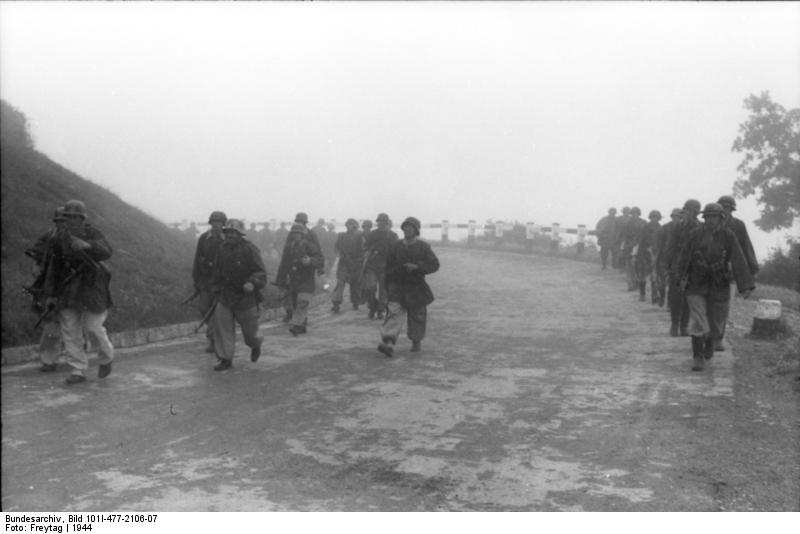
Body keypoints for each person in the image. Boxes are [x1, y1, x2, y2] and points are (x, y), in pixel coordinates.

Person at [42, 200, 114, 385]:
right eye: (69, 217)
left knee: (93, 327)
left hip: (91, 286)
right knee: (70, 330)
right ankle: (78, 369)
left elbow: (107, 251)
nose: (72, 220)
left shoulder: (92, 233)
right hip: (68, 287)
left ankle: (106, 358)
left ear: (82, 218)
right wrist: (50, 293)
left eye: (76, 217)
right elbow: (53, 267)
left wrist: (88, 246)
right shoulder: (59, 239)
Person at [675, 203, 754, 371]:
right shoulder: (695, 234)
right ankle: (697, 356)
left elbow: (738, 259)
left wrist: (745, 286)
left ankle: (709, 345)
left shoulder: (728, 236)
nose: (711, 219)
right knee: (698, 320)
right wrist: (679, 277)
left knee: (715, 321)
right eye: (708, 216)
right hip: (696, 284)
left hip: (719, 284)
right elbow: (684, 257)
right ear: (704, 218)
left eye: (715, 216)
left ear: (721, 218)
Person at [377, 217, 440, 357]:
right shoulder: (395, 246)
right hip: (396, 286)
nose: (407, 229)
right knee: (393, 313)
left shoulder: (424, 247)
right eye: (405, 227)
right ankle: (388, 343)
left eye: (410, 227)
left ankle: (416, 341)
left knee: (417, 315)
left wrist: (418, 267)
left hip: (416, 286)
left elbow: (435, 265)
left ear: (416, 230)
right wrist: (387, 284)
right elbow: (388, 267)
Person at [209, 219, 266, 371]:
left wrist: (252, 282)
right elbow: (217, 270)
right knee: (222, 328)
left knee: (251, 333)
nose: (230, 236)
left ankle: (256, 345)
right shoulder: (221, 249)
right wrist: (214, 287)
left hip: (245, 297)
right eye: (228, 232)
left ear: (240, 234)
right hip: (226, 295)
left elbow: (260, 271)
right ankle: (225, 359)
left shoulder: (250, 249)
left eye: (233, 233)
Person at [26, 207, 67, 372]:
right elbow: (37, 255)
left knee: (75, 322)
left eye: (65, 220)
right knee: (51, 321)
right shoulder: (49, 236)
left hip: (70, 284)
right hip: (49, 284)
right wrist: (36, 266)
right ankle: (49, 360)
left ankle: (77, 358)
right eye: (60, 220)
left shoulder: (74, 238)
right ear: (56, 221)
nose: (63, 223)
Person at [276, 223, 324, 336]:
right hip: (294, 279)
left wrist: (310, 260)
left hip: (306, 279)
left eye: (298, 233)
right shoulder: (289, 247)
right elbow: (284, 263)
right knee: (295, 303)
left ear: (302, 234)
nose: (296, 235)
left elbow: (320, 258)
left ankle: (297, 325)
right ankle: (301, 324)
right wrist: (280, 278)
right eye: (294, 233)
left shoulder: (309, 246)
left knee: (302, 301)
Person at [663, 199, 702, 336]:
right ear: (685, 211)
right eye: (688, 211)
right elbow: (670, 247)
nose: (691, 214)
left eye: (694, 211)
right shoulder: (677, 227)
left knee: (689, 297)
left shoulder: (701, 227)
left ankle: (684, 326)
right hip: (678, 265)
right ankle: (674, 325)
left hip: (694, 266)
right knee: (676, 296)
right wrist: (667, 265)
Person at [192, 210, 227, 353]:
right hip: (206, 281)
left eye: (219, 222)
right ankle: (215, 336)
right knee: (204, 308)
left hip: (221, 282)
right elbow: (197, 259)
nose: (216, 225)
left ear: (223, 224)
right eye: (214, 222)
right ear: (210, 223)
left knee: (218, 312)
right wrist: (197, 281)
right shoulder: (204, 238)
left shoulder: (227, 239)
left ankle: (214, 339)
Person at [362, 213, 398, 319]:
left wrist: (381, 250)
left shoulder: (393, 236)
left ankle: (380, 310)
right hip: (372, 266)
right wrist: (369, 250)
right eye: (379, 222)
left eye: (383, 222)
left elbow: (395, 251)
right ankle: (372, 307)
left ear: (387, 223)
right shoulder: (372, 234)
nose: (380, 224)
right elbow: (365, 246)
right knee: (370, 288)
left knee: (383, 290)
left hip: (385, 267)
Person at [330, 218, 364, 313]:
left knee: (355, 284)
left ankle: (355, 302)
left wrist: (358, 259)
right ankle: (336, 303)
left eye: (353, 224)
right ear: (346, 225)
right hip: (344, 263)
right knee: (340, 283)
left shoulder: (360, 237)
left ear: (356, 226)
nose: (351, 226)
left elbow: (363, 250)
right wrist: (341, 254)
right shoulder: (341, 236)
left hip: (356, 263)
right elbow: (336, 248)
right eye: (349, 224)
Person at [655, 208, 682, 308]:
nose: (676, 219)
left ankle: (670, 304)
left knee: (673, 283)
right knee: (662, 282)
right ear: (672, 217)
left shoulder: (684, 228)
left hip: (677, 260)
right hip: (664, 258)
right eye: (675, 217)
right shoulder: (664, 228)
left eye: (679, 217)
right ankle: (662, 297)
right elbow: (659, 244)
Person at [634, 209, 662, 303]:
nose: (654, 219)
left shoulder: (661, 228)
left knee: (654, 276)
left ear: (658, 218)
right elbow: (641, 241)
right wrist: (639, 254)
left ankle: (654, 295)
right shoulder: (645, 228)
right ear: (650, 218)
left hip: (656, 254)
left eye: (656, 217)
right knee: (642, 276)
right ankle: (642, 294)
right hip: (644, 254)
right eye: (653, 217)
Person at [622, 207, 646, 291]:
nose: (634, 215)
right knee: (629, 266)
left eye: (636, 213)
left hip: (639, 247)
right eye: (633, 213)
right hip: (629, 247)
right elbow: (624, 236)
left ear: (638, 214)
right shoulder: (627, 223)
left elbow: (645, 236)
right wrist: (623, 247)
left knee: (637, 266)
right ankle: (631, 284)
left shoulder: (643, 223)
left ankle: (637, 282)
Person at [613, 207, 631, 271]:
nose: (626, 213)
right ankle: (620, 266)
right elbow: (615, 228)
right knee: (620, 253)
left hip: (628, 238)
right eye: (625, 211)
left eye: (627, 212)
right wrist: (616, 237)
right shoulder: (618, 219)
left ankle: (624, 266)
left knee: (627, 253)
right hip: (620, 238)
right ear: (623, 212)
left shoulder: (631, 219)